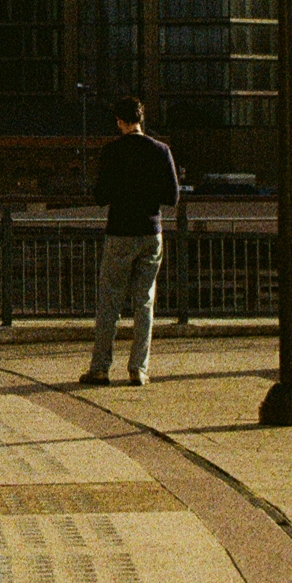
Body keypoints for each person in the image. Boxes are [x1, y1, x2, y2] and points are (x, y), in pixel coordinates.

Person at [78, 94, 180, 386]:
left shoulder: (111, 152)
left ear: (119, 121)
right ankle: (138, 368)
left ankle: (100, 368)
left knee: (110, 301)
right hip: (151, 232)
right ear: (141, 119)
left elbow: (100, 197)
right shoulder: (162, 150)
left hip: (120, 231)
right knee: (144, 301)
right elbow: (172, 197)